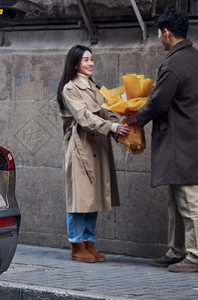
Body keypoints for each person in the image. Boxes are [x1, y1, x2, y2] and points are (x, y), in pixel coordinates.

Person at [125, 10, 198, 272]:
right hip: (190, 138)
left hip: (180, 141)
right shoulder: (197, 58)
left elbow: (159, 101)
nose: (158, 39)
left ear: (167, 33)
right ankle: (177, 251)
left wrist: (136, 118)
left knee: (188, 198)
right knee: (176, 199)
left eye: (158, 34)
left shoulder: (174, 63)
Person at [57, 45, 131, 263]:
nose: (90, 63)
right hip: (81, 148)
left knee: (94, 198)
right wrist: (114, 128)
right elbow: (84, 117)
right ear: (75, 63)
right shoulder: (70, 89)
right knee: (80, 199)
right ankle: (76, 246)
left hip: (97, 147)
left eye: (92, 59)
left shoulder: (94, 87)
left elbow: (106, 110)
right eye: (86, 60)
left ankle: (89, 244)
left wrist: (122, 119)